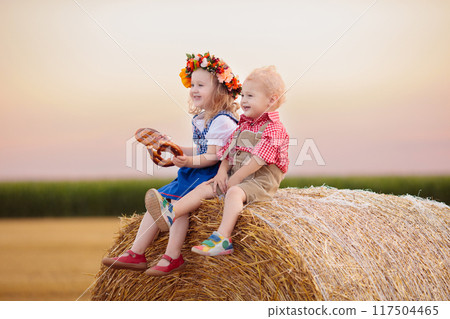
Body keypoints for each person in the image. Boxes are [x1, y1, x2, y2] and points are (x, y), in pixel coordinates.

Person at [102, 52, 242, 273]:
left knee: (177, 208)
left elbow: (214, 156)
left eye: (201, 85)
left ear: (220, 90)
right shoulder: (203, 118)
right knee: (159, 203)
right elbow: (201, 150)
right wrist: (176, 151)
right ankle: (135, 253)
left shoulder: (222, 121)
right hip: (196, 172)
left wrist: (188, 161)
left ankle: (172, 257)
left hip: (210, 174)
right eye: (192, 84)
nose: (194, 89)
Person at [147, 65, 289, 260]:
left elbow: (259, 159)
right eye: (243, 96)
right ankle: (172, 213)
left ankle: (223, 238)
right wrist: (222, 173)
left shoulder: (274, 128)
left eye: (250, 96)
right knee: (207, 186)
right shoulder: (243, 124)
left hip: (259, 181)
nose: (243, 100)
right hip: (237, 174)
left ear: (271, 100)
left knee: (234, 192)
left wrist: (235, 178)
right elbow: (228, 153)